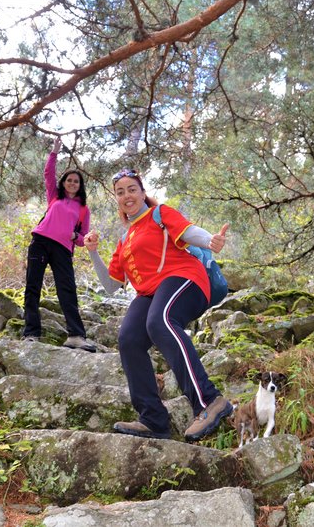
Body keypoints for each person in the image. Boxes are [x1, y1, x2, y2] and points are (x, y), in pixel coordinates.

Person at [83, 168, 232, 441]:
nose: (127, 195)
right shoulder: (124, 239)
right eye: (120, 192)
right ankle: (153, 419)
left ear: (142, 193)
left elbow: (188, 232)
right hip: (149, 294)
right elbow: (111, 285)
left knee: (159, 321)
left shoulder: (159, 214)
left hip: (184, 279)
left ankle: (209, 401)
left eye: (132, 189)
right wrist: (93, 252)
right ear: (116, 199)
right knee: (128, 339)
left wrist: (210, 240)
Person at [22, 136, 95, 352]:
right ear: (63, 183)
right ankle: (31, 334)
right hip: (40, 243)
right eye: (69, 180)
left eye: (76, 181)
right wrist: (54, 152)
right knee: (32, 287)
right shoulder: (54, 197)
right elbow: (48, 174)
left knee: (67, 290)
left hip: (63, 250)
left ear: (80, 186)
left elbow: (83, 240)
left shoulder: (83, 209)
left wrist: (76, 238)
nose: (72, 183)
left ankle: (75, 336)